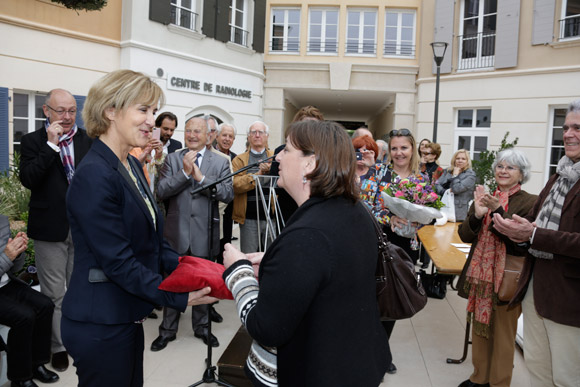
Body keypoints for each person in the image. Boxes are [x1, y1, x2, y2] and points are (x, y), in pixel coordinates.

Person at [60, 69, 217, 386]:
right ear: (111, 111)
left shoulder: (129, 163)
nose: (152, 121)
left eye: (154, 111)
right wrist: (178, 299)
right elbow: (119, 262)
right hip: (99, 322)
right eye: (143, 110)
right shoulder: (94, 175)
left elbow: (152, 244)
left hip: (124, 315)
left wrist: (203, 270)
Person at [223, 120, 389, 386]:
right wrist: (277, 262)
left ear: (310, 165)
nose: (277, 156)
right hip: (355, 362)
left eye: (287, 150)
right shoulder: (353, 210)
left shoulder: (306, 236)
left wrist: (237, 271)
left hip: (319, 371)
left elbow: (266, 327)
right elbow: (331, 268)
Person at [493, 100, 580, 387]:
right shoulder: (558, 176)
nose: (568, 134)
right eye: (566, 127)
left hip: (570, 299)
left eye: (578, 128)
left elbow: (540, 232)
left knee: (566, 378)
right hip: (535, 289)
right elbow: (532, 219)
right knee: (538, 371)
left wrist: (533, 235)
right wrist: (510, 225)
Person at [19, 88, 93, 372]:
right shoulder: (31, 141)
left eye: (72, 110)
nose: (66, 116)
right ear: (45, 111)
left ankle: (76, 339)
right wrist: (51, 146)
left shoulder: (89, 141)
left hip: (83, 226)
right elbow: (29, 179)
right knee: (54, 293)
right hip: (49, 227)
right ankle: (58, 346)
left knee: (78, 288)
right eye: (60, 110)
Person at [151, 117, 233, 351]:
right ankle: (167, 331)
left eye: (197, 131)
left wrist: (201, 179)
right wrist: (185, 175)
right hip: (176, 235)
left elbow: (227, 194)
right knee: (172, 282)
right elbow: (162, 191)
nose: (192, 135)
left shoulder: (220, 162)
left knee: (205, 283)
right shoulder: (173, 159)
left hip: (205, 234)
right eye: (188, 131)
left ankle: (203, 327)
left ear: (208, 136)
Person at [456, 149, 537, 387]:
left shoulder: (530, 201)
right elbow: (464, 235)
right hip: (481, 277)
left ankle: (499, 382)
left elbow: (520, 242)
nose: (503, 171)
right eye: (500, 166)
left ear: (522, 174)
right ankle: (479, 377)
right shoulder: (484, 197)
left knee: (503, 335)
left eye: (510, 167)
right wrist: (477, 214)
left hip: (508, 278)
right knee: (480, 329)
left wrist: (498, 211)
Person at [352, 135, 397, 375]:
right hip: (348, 243)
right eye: (357, 150)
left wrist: (371, 167)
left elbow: (385, 211)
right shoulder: (345, 171)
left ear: (375, 153)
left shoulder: (382, 173)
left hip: (374, 243)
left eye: (366, 150)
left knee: (379, 299)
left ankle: (380, 351)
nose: (361, 154)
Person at [0, 215, 59, 387]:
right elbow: (4, 259)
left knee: (44, 305)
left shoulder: (2, 221)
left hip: (5, 283)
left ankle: (37, 364)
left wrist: (18, 252)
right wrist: (6, 256)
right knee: (23, 317)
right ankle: (20, 379)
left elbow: (16, 268)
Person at [269, 106, 325, 225]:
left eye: (313, 127)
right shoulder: (281, 152)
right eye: (305, 126)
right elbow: (274, 182)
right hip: (287, 210)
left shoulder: (326, 154)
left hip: (316, 212)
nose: (308, 131)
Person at [232, 121, 274, 253]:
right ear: (248, 137)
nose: (257, 135)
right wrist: (258, 175)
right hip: (248, 218)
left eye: (260, 132)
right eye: (253, 132)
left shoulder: (275, 157)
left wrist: (271, 171)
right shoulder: (239, 160)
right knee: (249, 257)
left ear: (267, 136)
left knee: (271, 256)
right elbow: (235, 185)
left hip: (271, 217)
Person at [215, 123, 238, 261]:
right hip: (212, 209)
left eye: (231, 136)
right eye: (224, 135)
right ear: (217, 136)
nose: (227, 139)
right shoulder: (210, 154)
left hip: (228, 211)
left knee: (225, 248)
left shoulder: (236, 159)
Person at [436, 149, 477, 222]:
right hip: (444, 209)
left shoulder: (471, 175)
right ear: (454, 160)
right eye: (458, 158)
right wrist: (445, 191)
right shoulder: (447, 171)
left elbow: (456, 189)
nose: (460, 160)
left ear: (467, 161)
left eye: (463, 159)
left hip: (459, 213)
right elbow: (437, 184)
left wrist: (455, 175)